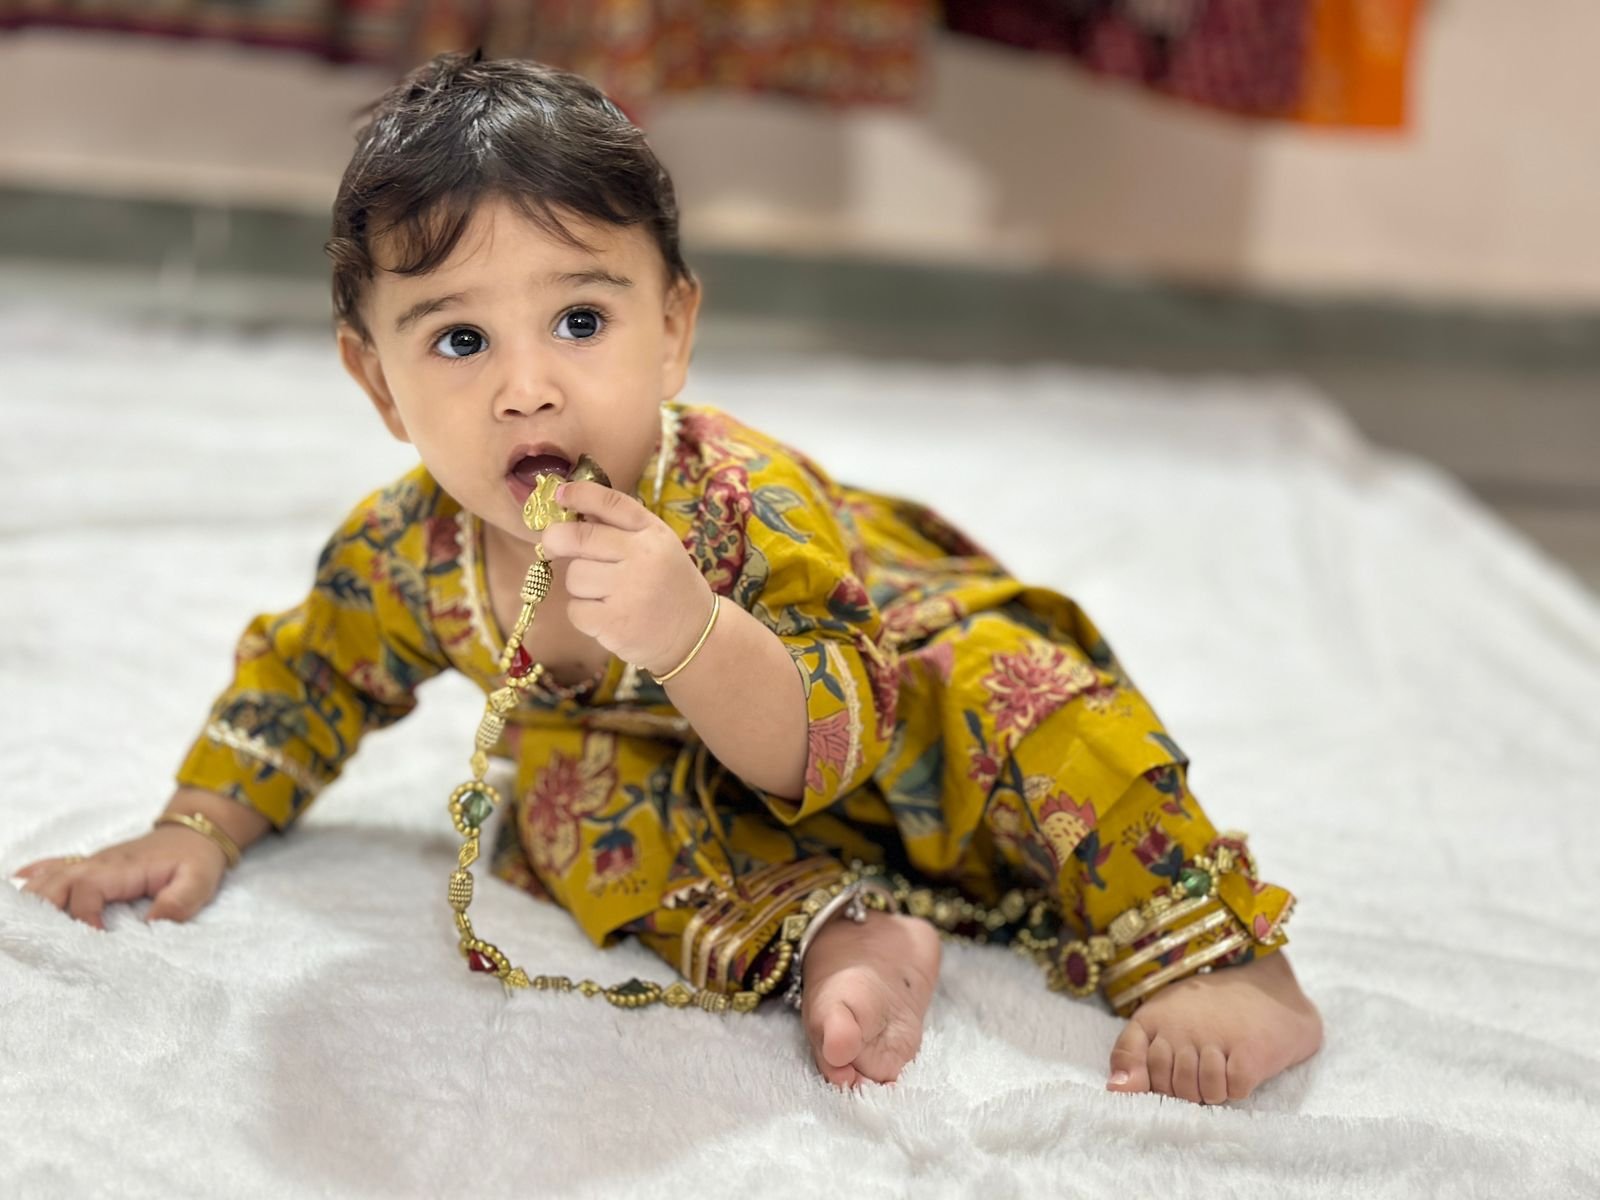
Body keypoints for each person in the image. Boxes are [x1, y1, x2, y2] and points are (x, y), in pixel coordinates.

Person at [11, 51, 1322, 1103]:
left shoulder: (743, 502)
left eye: (581, 321)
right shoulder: (408, 553)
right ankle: (838, 932)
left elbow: (835, 740)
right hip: (697, 780)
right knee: (561, 811)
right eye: (460, 341)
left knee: (1030, 699)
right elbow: (307, 677)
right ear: (377, 383)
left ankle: (1233, 965)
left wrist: (692, 633)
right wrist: (196, 825)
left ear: (675, 328)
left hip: (891, 709)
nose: (529, 386)